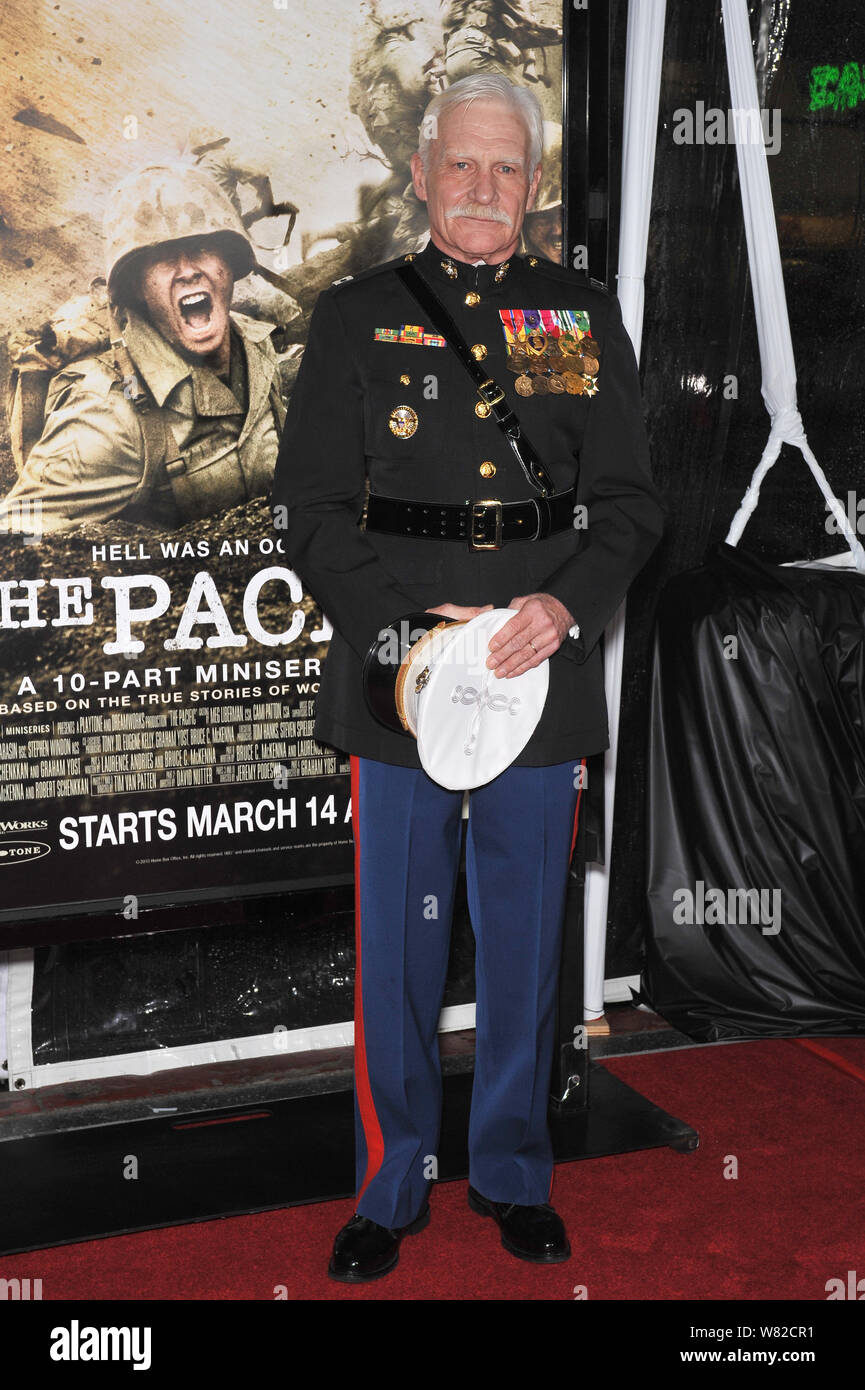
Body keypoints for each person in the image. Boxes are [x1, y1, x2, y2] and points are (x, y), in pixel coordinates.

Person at [272, 72, 665, 1281]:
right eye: (463, 164)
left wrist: (559, 608)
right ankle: (388, 1187)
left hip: (532, 673)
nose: (484, 187)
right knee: (394, 946)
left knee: (524, 940)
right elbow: (314, 506)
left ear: (533, 185)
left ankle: (510, 1170)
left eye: (507, 168)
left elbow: (634, 505)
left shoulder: (582, 312)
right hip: (401, 676)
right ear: (422, 175)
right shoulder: (354, 315)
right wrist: (404, 635)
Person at [2, 164, 283, 532]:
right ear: (137, 288)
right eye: (165, 257)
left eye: (201, 247)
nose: (187, 271)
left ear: (229, 263)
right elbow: (15, 536)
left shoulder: (257, 345)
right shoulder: (108, 414)